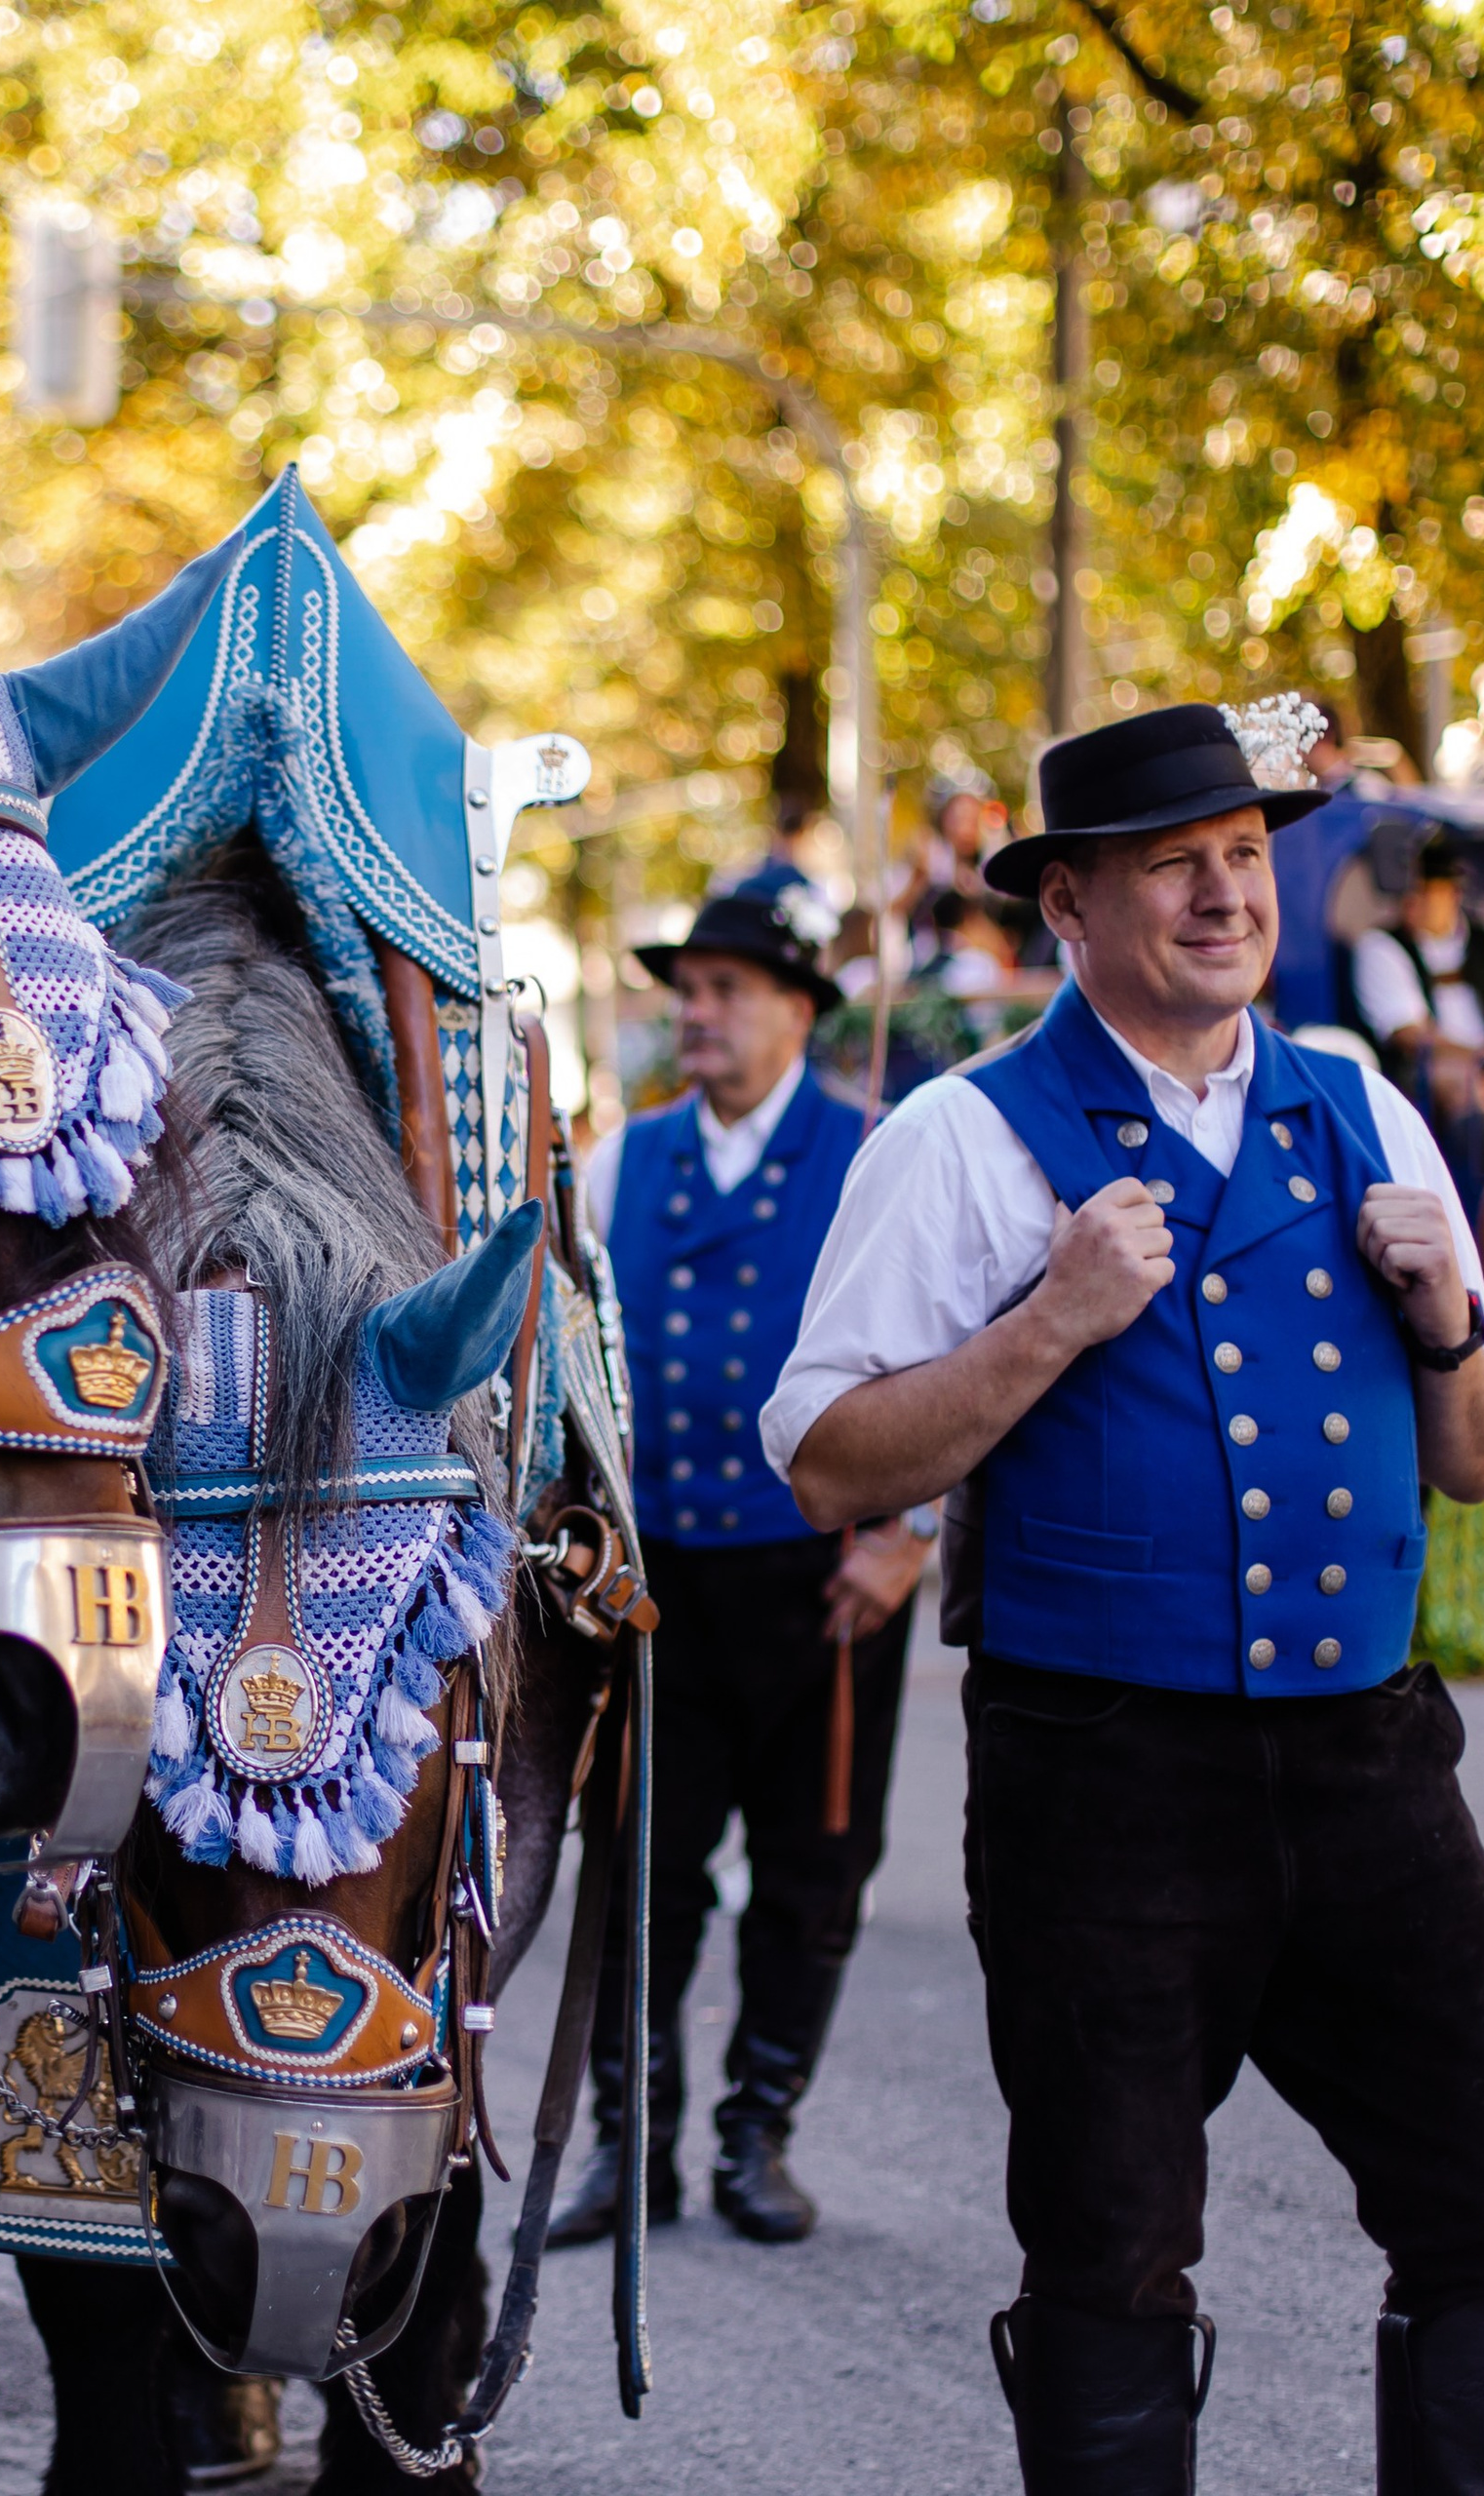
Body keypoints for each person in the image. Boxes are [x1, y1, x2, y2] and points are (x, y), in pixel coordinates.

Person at [763, 703, 1484, 2492]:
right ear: (1068, 907)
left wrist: (1450, 1328)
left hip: (1372, 1763)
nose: (1227, 894)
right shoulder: (963, 1137)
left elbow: (1472, 1460)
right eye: (1174, 864)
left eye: (1244, 855)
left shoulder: (1364, 1105)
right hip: (1105, 1782)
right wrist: (1051, 1321)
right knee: (1111, 2243)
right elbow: (831, 1463)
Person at [549, 886, 928, 2251]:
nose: (695, 1014)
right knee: (639, 1869)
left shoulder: (876, 1149)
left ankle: (757, 2134)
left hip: (826, 1585)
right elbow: (567, 1360)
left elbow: (949, 1340)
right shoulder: (620, 1161)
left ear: (799, 1011)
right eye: (687, 990)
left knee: (813, 1869)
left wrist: (908, 1535)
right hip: (659, 1591)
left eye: (726, 990)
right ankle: (627, 2146)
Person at [1351, 835, 1484, 1221]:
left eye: (1425, 890)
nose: (1411, 900)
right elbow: (1409, 1033)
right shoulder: (1381, 945)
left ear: (1452, 893)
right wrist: (1477, 1056)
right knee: (1461, 1082)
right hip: (1416, 1074)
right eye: (1408, 889)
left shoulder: (1478, 941)